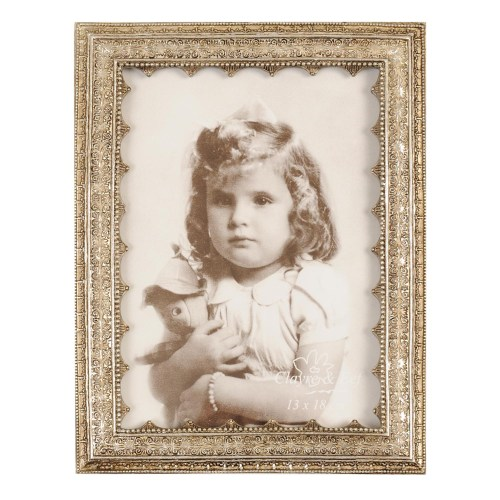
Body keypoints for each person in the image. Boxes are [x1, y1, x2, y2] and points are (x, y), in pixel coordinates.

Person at [148, 101, 349, 427]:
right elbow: (158, 388)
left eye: (261, 200)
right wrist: (187, 361)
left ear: (299, 209)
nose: (238, 218)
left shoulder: (314, 289)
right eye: (222, 200)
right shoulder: (196, 284)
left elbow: (309, 399)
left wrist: (217, 390)